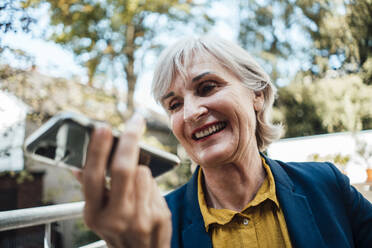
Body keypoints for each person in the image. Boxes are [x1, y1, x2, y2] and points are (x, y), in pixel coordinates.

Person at [75, 35, 372, 248]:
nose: (191, 113)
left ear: (256, 94)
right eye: (174, 105)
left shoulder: (327, 184)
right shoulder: (157, 222)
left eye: (207, 87)